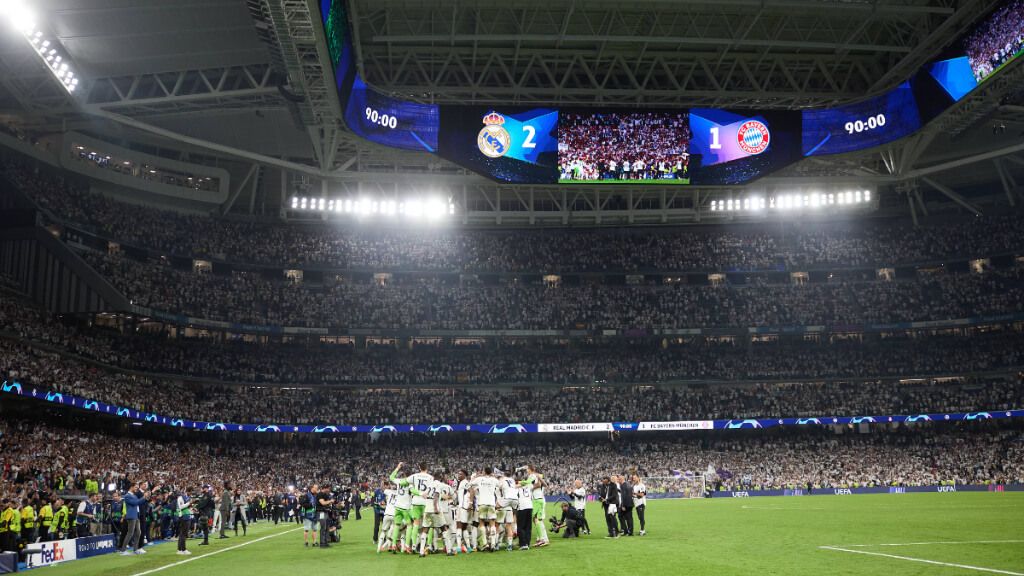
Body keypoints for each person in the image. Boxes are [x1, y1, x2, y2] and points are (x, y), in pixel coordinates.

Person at [515, 478, 533, 550]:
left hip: (522, 507)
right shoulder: (529, 486)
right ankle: (527, 543)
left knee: (521, 526)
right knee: (528, 527)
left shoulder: (517, 488)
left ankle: (523, 544)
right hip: (530, 506)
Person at [176, 488, 194, 555]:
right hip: (183, 516)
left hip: (186, 515)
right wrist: (189, 503)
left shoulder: (187, 497)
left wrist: (191, 505)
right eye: (190, 492)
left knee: (182, 533)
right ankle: (183, 549)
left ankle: (180, 549)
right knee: (183, 533)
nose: (191, 494)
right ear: (187, 491)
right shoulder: (180, 498)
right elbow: (180, 507)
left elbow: (187, 506)